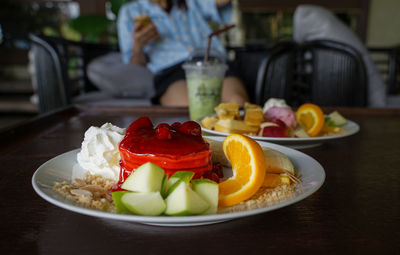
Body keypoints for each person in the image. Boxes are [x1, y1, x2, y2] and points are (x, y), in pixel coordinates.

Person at [117, 0, 248, 106]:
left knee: (237, 103)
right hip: (171, 71)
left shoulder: (190, 2)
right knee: (189, 110)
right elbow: (134, 63)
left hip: (212, 62)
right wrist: (138, 46)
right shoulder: (130, 12)